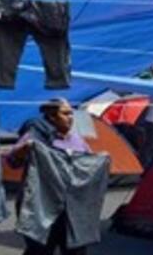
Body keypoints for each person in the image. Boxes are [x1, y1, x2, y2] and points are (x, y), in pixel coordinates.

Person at [8, 98, 91, 255]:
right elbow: (12, 161)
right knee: (40, 249)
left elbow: (89, 166)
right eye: (65, 113)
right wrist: (26, 149)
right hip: (40, 206)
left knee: (76, 249)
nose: (70, 117)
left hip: (71, 206)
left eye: (71, 113)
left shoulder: (77, 140)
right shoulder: (36, 136)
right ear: (52, 117)